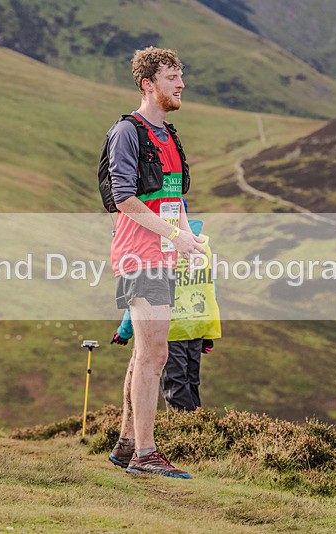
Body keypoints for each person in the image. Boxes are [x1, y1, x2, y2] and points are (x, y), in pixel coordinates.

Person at [105, 46, 204, 479]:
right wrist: (174, 235)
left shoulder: (170, 135)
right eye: (171, 77)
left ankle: (128, 444)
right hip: (138, 255)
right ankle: (146, 454)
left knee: (146, 354)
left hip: (163, 256)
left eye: (181, 76)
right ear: (149, 84)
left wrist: (190, 239)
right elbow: (123, 198)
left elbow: (174, 194)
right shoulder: (128, 132)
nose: (180, 84)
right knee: (154, 356)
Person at [112, 217, 221, 412]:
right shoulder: (202, 244)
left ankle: (186, 432)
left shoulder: (161, 247)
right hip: (197, 325)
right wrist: (209, 332)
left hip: (171, 327)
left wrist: (124, 331)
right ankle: (198, 429)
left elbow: (142, 297)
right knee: (191, 380)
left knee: (175, 384)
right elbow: (209, 288)